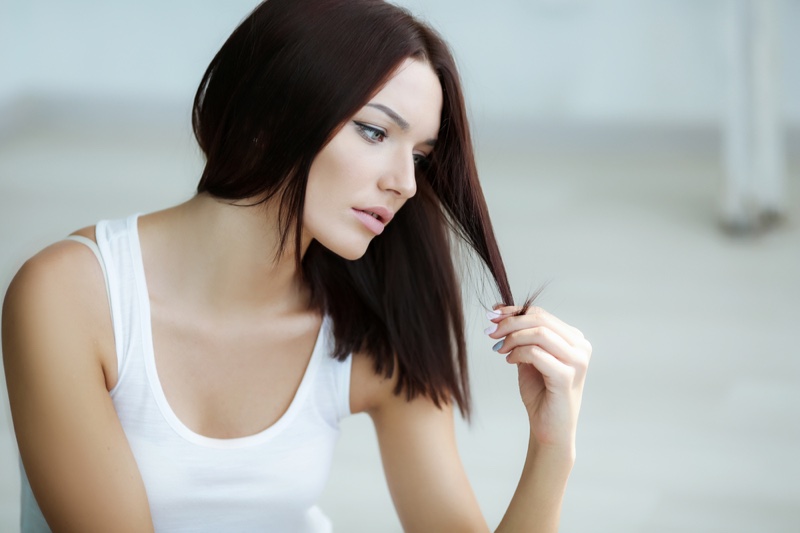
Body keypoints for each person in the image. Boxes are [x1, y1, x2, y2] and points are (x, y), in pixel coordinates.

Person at [2, 0, 592, 531]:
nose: (406, 183)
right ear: (268, 115)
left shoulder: (373, 323)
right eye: (374, 131)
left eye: (418, 156)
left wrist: (551, 444)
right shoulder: (72, 296)